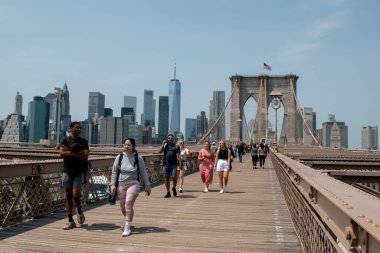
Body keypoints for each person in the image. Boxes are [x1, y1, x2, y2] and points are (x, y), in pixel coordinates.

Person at [110, 138, 151, 237]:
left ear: (133, 146)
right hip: (121, 184)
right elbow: (114, 171)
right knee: (123, 207)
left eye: (129, 145)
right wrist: (112, 185)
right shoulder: (119, 157)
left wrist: (147, 185)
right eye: (125, 145)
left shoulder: (138, 158)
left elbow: (143, 172)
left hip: (133, 183)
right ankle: (128, 220)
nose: (126, 147)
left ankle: (127, 227)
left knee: (128, 204)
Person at [59, 121, 89, 230]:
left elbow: (85, 155)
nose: (79, 129)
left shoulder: (83, 141)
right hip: (67, 171)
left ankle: (80, 210)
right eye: (77, 127)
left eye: (80, 128)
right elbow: (62, 153)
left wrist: (70, 152)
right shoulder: (65, 140)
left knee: (76, 196)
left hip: (78, 171)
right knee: (68, 196)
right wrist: (77, 152)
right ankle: (70, 220)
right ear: (71, 128)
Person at [159, 133, 181, 198]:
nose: (170, 139)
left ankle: (174, 187)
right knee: (166, 178)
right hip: (166, 164)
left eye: (171, 138)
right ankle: (168, 192)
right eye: (169, 138)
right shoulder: (165, 145)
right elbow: (159, 152)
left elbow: (179, 155)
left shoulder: (176, 146)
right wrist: (162, 144)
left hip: (174, 164)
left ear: (173, 139)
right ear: (167, 139)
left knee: (174, 176)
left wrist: (180, 163)